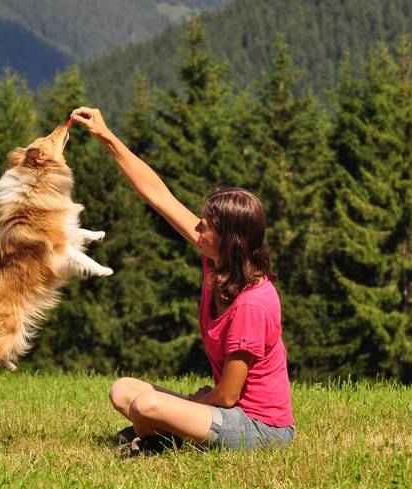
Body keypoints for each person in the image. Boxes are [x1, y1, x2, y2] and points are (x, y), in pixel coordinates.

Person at [70, 107, 295, 454]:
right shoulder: (216, 262)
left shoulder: (253, 302)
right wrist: (107, 136)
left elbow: (229, 394)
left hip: (260, 428)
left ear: (229, 239)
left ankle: (155, 440)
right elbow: (159, 196)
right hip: (226, 411)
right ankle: (160, 433)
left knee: (145, 405)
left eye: (206, 226)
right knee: (124, 391)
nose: (198, 228)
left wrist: (198, 400)